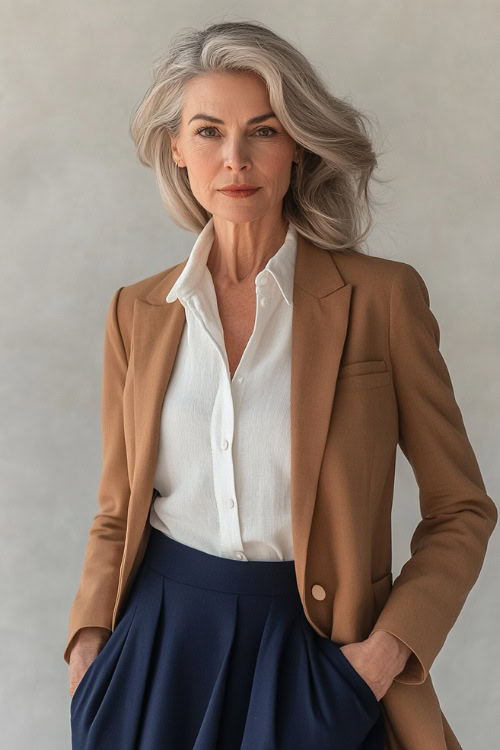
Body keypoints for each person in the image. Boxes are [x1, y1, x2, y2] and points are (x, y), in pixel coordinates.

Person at [64, 20, 497, 750]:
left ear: (296, 144)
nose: (235, 159)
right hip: (156, 657)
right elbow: (116, 510)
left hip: (320, 654)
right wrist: (87, 646)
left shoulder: (382, 299)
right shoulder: (135, 312)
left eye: (262, 131)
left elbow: (462, 508)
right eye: (208, 132)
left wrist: (385, 655)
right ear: (176, 147)